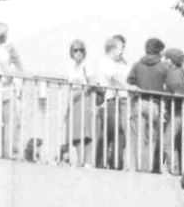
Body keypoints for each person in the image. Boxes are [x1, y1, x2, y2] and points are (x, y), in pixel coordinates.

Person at [127, 38, 170, 172]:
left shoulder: (137, 65)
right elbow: (168, 86)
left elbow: (130, 81)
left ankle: (139, 167)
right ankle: (149, 168)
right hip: (154, 105)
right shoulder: (163, 68)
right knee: (151, 138)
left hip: (139, 102)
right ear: (159, 51)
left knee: (137, 137)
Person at [96, 34, 130, 169]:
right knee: (118, 134)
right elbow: (115, 77)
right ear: (112, 49)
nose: (122, 51)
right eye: (120, 48)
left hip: (113, 101)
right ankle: (116, 164)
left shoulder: (115, 63)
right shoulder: (107, 62)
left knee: (108, 133)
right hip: (112, 101)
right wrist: (128, 87)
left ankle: (102, 163)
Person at [65, 39, 97, 167]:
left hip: (84, 98)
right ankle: (80, 159)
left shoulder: (87, 66)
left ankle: (86, 161)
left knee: (84, 131)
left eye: (81, 50)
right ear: (71, 52)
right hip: (73, 100)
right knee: (76, 132)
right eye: (75, 50)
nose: (78, 53)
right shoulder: (72, 68)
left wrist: (82, 91)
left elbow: (93, 82)